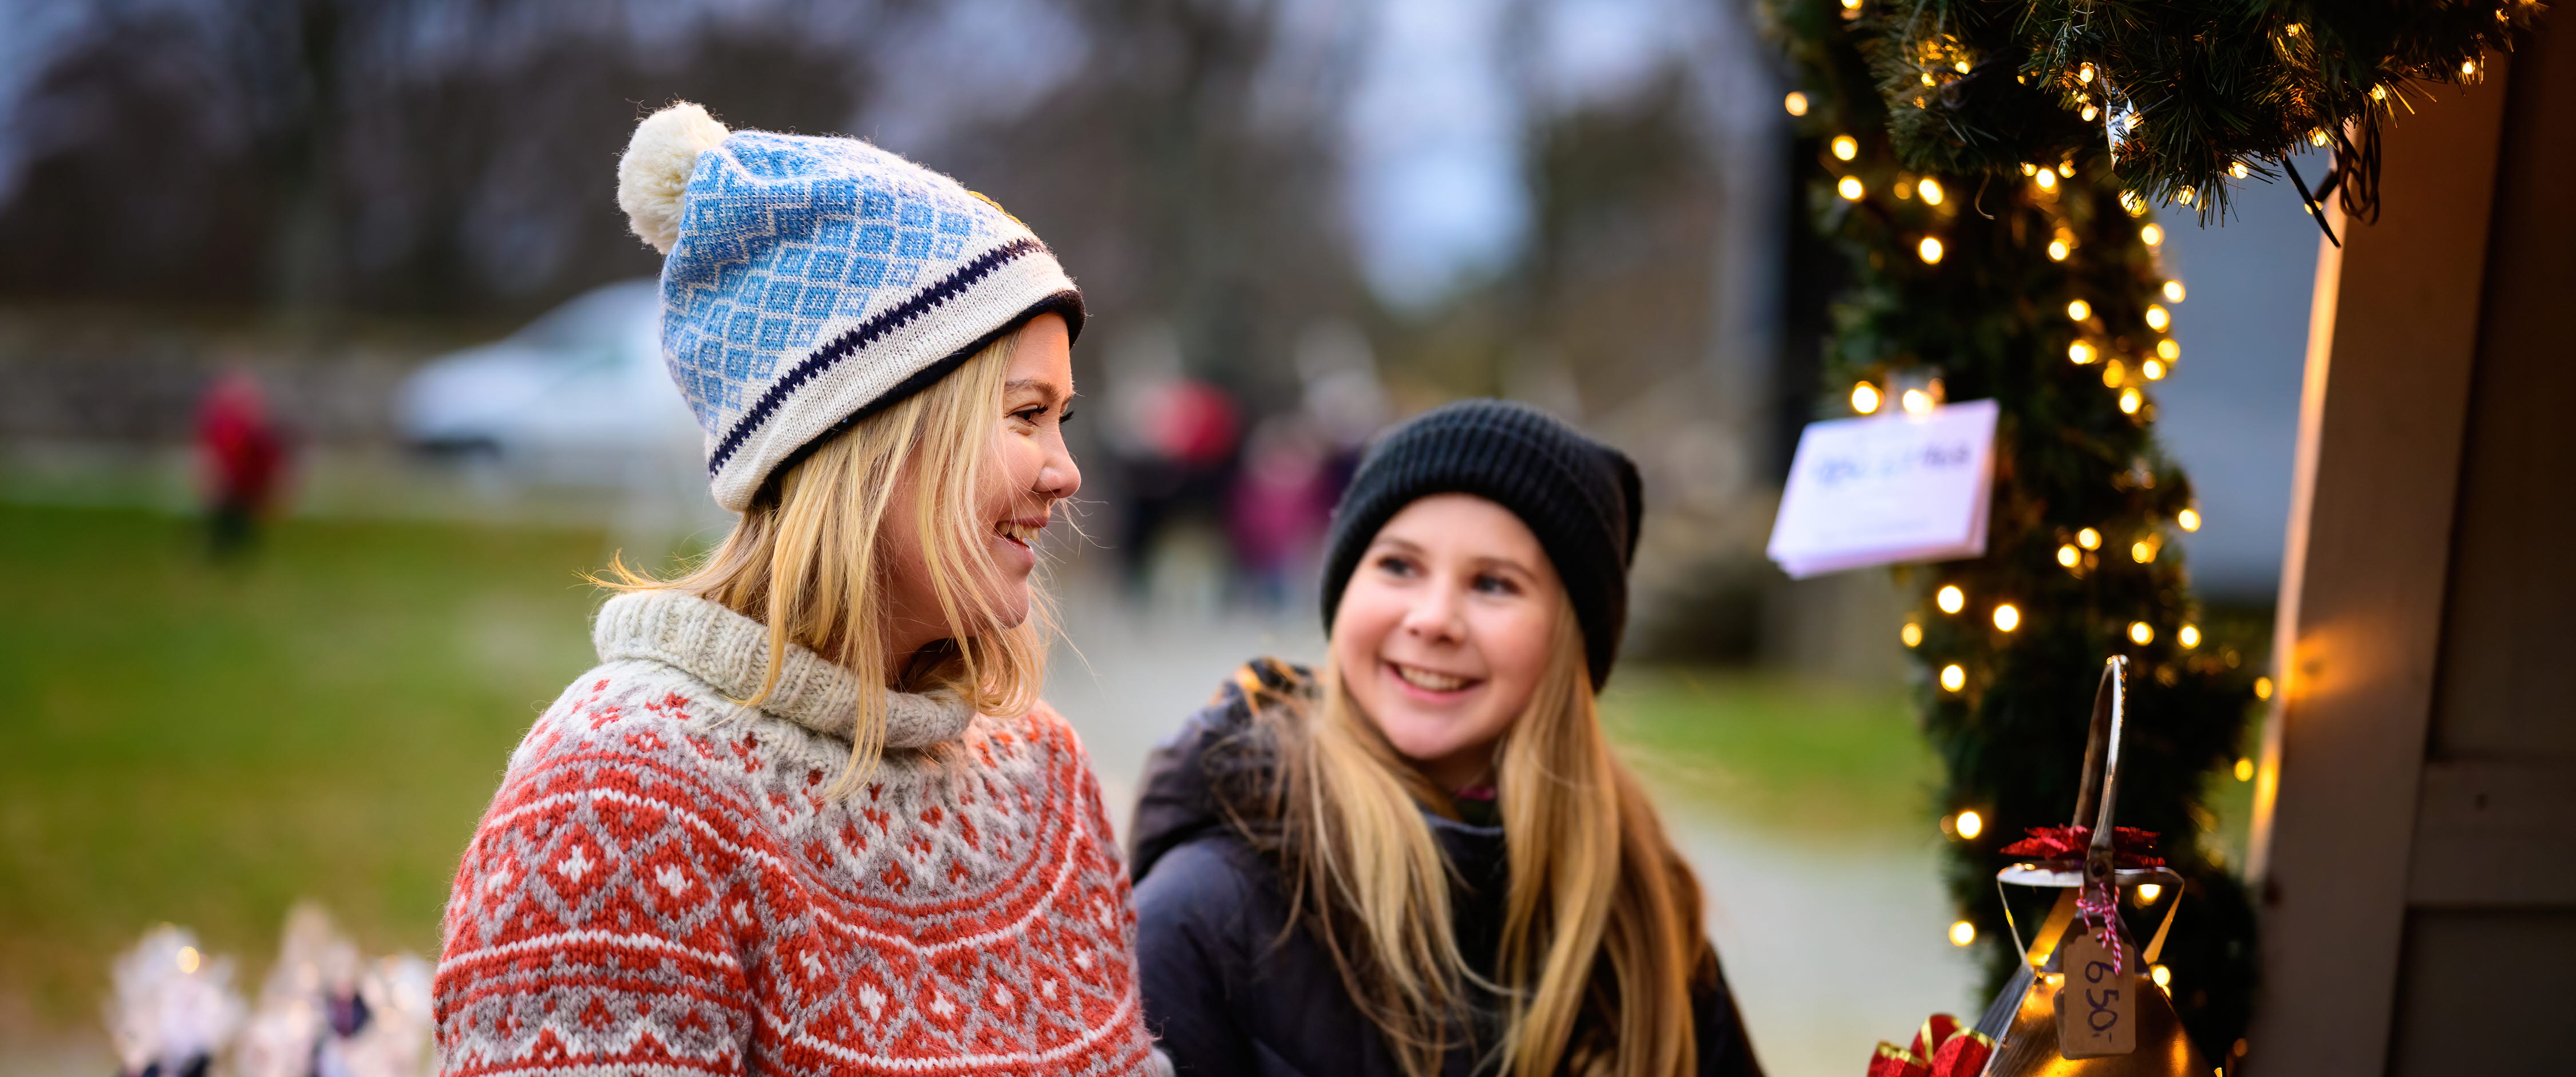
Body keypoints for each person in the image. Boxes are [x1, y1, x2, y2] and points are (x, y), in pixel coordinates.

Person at [432, 102, 1159, 1076]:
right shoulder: (619, 805)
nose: (1065, 472)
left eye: (1063, 417)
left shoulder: (1045, 781)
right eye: (1026, 414)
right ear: (868, 437)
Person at [1129, 399, 1764, 1077]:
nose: (1434, 620)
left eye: (1494, 584)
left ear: (1572, 643)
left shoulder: (1641, 915)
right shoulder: (1202, 915)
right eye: (1399, 566)